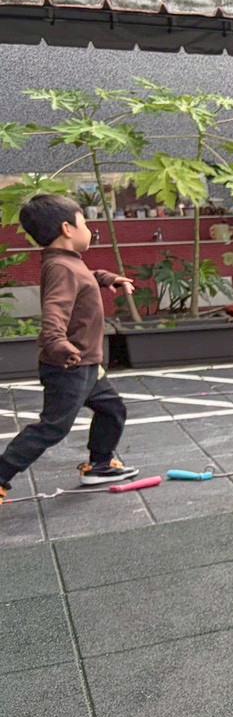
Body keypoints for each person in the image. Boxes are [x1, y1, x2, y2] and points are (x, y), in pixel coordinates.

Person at [0, 194, 139, 505]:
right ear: (67, 228)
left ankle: (100, 465)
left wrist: (107, 278)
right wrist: (57, 342)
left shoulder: (67, 261)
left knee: (112, 410)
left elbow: (84, 279)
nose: (89, 229)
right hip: (70, 366)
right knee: (53, 428)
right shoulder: (61, 267)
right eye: (85, 223)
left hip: (86, 364)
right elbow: (55, 310)